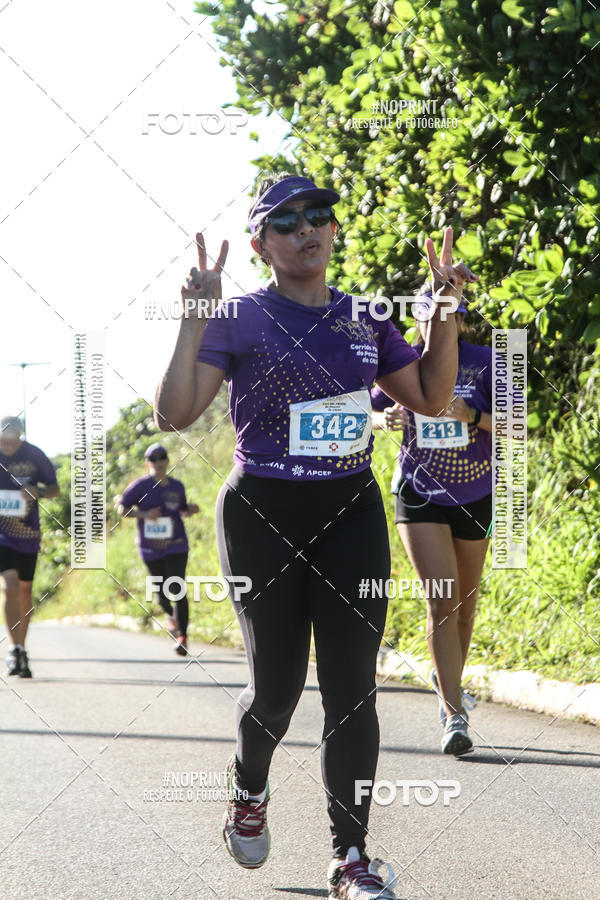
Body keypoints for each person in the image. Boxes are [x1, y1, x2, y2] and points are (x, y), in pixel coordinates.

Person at [154, 172, 477, 899]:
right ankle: (249, 785)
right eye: (286, 220)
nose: (307, 227)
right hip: (263, 512)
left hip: (349, 510)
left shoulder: (364, 317)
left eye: (319, 214)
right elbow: (173, 415)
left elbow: (430, 397)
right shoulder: (238, 317)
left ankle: (350, 857)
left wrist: (443, 314)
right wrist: (193, 319)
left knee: (352, 688)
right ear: (262, 244)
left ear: (333, 229)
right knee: (275, 691)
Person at [372, 288, 492, 756]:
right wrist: (384, 419)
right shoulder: (401, 360)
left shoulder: (488, 361)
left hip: (475, 493)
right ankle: (454, 714)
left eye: (445, 316)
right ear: (416, 321)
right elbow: (364, 406)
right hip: (419, 493)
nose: (435, 324)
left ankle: (449, 690)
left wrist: (472, 414)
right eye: (426, 316)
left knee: (464, 609)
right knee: (442, 600)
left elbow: (519, 426)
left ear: (460, 320)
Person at [117, 443, 199, 656]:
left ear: (168, 462)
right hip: (150, 548)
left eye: (162, 458)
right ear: (148, 464)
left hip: (176, 544)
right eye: (153, 459)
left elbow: (182, 509)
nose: (158, 462)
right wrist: (144, 515)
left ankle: (182, 637)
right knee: (162, 595)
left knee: (177, 587)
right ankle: (171, 617)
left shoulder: (177, 486)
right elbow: (122, 509)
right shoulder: (139, 486)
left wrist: (190, 509)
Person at [1, 415, 60, 678]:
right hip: (1, 535)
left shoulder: (35, 455)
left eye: (12, 441)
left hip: (28, 534)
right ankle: (13, 648)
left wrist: (38, 492)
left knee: (25, 591)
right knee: (9, 586)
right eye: (3, 440)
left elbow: (55, 489)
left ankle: (22, 649)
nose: (7, 445)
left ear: (20, 437)